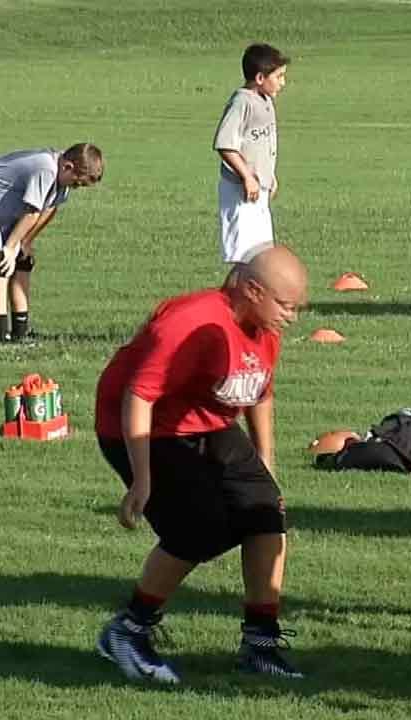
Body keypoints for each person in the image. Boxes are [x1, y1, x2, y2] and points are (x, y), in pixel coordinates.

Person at [94, 245, 308, 684]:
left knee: (266, 512)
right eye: (286, 306)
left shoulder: (264, 325)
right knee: (199, 529)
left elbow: (260, 391)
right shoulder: (191, 322)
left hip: (206, 421)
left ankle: (260, 644)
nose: (293, 317)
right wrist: (142, 479)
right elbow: (140, 395)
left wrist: (265, 461)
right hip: (142, 427)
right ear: (252, 290)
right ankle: (127, 631)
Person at [0, 143, 103, 342]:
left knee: (23, 261)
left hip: (2, 212)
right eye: (77, 183)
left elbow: (48, 209)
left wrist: (26, 242)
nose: (76, 188)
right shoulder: (46, 169)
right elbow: (32, 212)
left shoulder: (61, 178)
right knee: (1, 265)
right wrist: (10, 246)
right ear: (68, 166)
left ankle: (20, 332)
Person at [214, 43, 287, 264]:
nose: (283, 82)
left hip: (258, 189)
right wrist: (247, 177)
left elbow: (261, 144)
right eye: (279, 76)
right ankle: (238, 297)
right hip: (241, 191)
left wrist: (268, 177)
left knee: (262, 253)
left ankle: (256, 297)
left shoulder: (265, 101)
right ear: (259, 78)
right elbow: (225, 144)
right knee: (244, 255)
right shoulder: (242, 102)